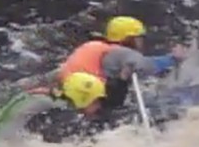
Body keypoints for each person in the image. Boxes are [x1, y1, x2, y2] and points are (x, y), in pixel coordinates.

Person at [56, 15, 188, 113]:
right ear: (128, 39)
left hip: (74, 95)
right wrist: (173, 58)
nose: (141, 43)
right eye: (138, 39)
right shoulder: (120, 53)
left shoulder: (95, 46)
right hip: (89, 99)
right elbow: (144, 66)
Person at [0, 71, 110, 145]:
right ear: (82, 98)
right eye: (95, 101)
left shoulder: (54, 97)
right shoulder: (60, 114)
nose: (98, 106)